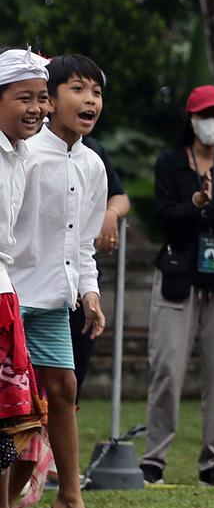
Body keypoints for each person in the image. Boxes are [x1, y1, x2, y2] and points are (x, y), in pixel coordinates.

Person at [9, 54, 109, 508]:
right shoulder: (23, 154)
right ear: (49, 100)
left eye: (97, 92)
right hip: (12, 295)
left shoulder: (93, 164)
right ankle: (7, 506)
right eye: (78, 89)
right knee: (13, 406)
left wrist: (89, 292)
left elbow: (84, 243)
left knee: (64, 389)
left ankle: (70, 496)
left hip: (52, 300)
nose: (90, 100)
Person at [141, 85, 214, 488]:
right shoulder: (169, 163)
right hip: (178, 274)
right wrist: (197, 202)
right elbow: (165, 219)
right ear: (191, 119)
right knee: (167, 369)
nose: (212, 123)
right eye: (206, 115)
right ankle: (153, 460)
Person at [0, 47, 50, 508]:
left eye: (42, 97)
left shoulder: (21, 153)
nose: (37, 108)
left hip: (4, 287)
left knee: (9, 410)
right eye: (24, 98)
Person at [69, 133, 130, 399]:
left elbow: (83, 240)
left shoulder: (92, 154)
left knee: (70, 379)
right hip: (28, 287)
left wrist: (110, 213)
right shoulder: (27, 146)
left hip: (75, 283)